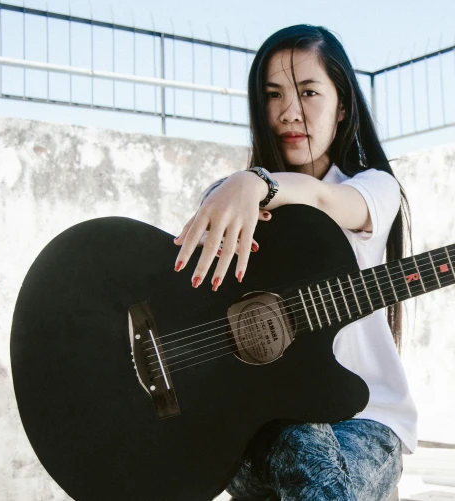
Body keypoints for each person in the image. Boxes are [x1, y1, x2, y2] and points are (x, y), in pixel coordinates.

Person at [171, 24, 417, 501]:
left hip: (365, 421)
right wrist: (241, 186)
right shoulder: (227, 197)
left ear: (342, 105)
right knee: (295, 430)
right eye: (273, 94)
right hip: (257, 422)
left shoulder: (373, 188)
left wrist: (258, 182)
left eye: (308, 91)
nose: (289, 111)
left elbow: (326, 201)